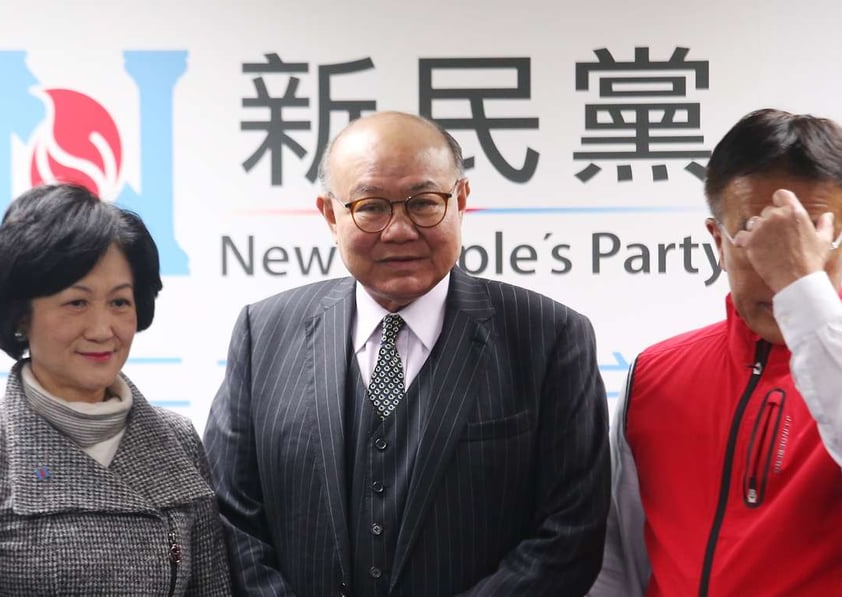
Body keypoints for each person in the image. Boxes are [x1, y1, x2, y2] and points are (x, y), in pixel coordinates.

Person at [204, 111, 610, 596]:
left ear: (461, 201)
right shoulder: (263, 333)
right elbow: (229, 516)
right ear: (330, 215)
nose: (399, 230)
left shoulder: (550, 337)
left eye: (424, 203)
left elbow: (569, 534)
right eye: (371, 207)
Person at [590, 109, 842, 596]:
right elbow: (616, 558)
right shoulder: (655, 373)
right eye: (755, 234)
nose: (776, 265)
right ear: (717, 241)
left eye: (807, 236)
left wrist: (802, 287)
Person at [0, 184, 231, 596]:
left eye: (119, 302)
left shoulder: (177, 441)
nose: (102, 330)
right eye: (77, 303)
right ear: (21, 315)